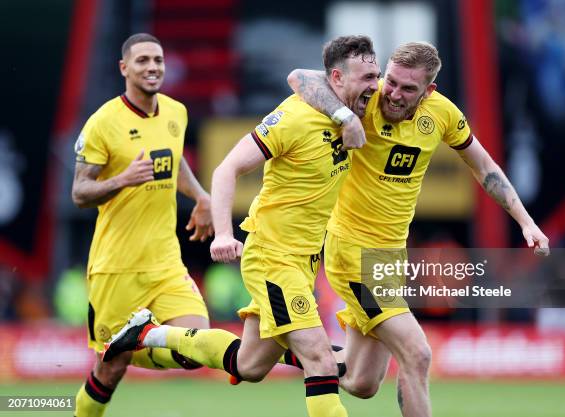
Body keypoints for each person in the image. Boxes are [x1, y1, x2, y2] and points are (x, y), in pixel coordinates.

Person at [103, 35, 380, 417]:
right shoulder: (295, 117)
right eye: (367, 77)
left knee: (249, 365)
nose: (375, 86)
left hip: (305, 260)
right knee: (320, 359)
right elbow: (227, 167)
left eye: (376, 76)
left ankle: (149, 334)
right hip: (274, 258)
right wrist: (223, 233)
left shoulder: (357, 110)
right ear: (335, 76)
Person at [287, 41, 550, 417]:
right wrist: (345, 118)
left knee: (363, 382)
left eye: (407, 88)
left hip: (391, 258)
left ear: (429, 92)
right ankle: (305, 348)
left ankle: (295, 348)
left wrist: (526, 222)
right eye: (390, 81)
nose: (393, 93)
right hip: (352, 253)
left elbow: (483, 165)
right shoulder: (365, 100)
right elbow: (299, 78)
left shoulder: (441, 114)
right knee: (418, 352)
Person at [71, 33, 214, 417]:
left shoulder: (175, 112)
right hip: (116, 266)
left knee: (195, 345)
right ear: (124, 68)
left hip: (164, 261)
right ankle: (122, 350)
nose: (152, 68)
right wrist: (122, 179)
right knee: (110, 367)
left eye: (158, 61)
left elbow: (174, 160)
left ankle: (131, 343)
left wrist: (201, 196)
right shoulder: (103, 122)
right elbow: (80, 192)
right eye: (142, 61)